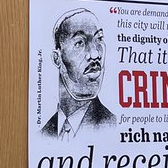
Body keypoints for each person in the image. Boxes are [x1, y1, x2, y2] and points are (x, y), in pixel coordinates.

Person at [41, 8, 116, 138]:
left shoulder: (113, 126)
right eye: (80, 43)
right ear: (57, 58)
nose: (95, 54)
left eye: (99, 39)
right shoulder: (43, 135)